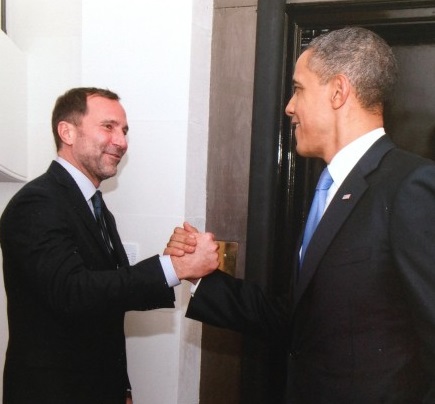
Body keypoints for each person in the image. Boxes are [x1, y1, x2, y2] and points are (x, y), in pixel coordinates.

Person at [167, 27, 435, 403]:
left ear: (338, 91)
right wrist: (201, 278)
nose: (289, 107)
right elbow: (299, 318)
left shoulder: (411, 186)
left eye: (298, 89)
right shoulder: (330, 189)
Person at [0, 87, 219, 404]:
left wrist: (122, 388)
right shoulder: (37, 202)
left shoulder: (96, 207)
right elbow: (73, 292)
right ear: (67, 132)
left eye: (124, 131)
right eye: (108, 127)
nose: (122, 142)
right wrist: (174, 267)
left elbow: (107, 299)